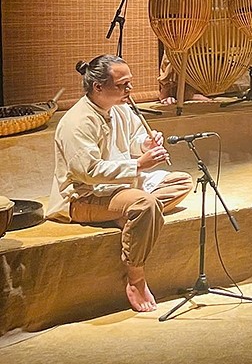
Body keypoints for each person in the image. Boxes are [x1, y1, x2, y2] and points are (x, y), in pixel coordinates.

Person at [48, 55, 193, 312]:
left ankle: (129, 216)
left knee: (182, 182)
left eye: (130, 83)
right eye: (122, 85)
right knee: (146, 204)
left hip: (120, 188)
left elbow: (133, 139)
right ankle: (135, 278)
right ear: (98, 87)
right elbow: (89, 172)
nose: (130, 89)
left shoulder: (121, 108)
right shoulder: (77, 122)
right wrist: (138, 165)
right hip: (84, 197)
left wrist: (144, 145)